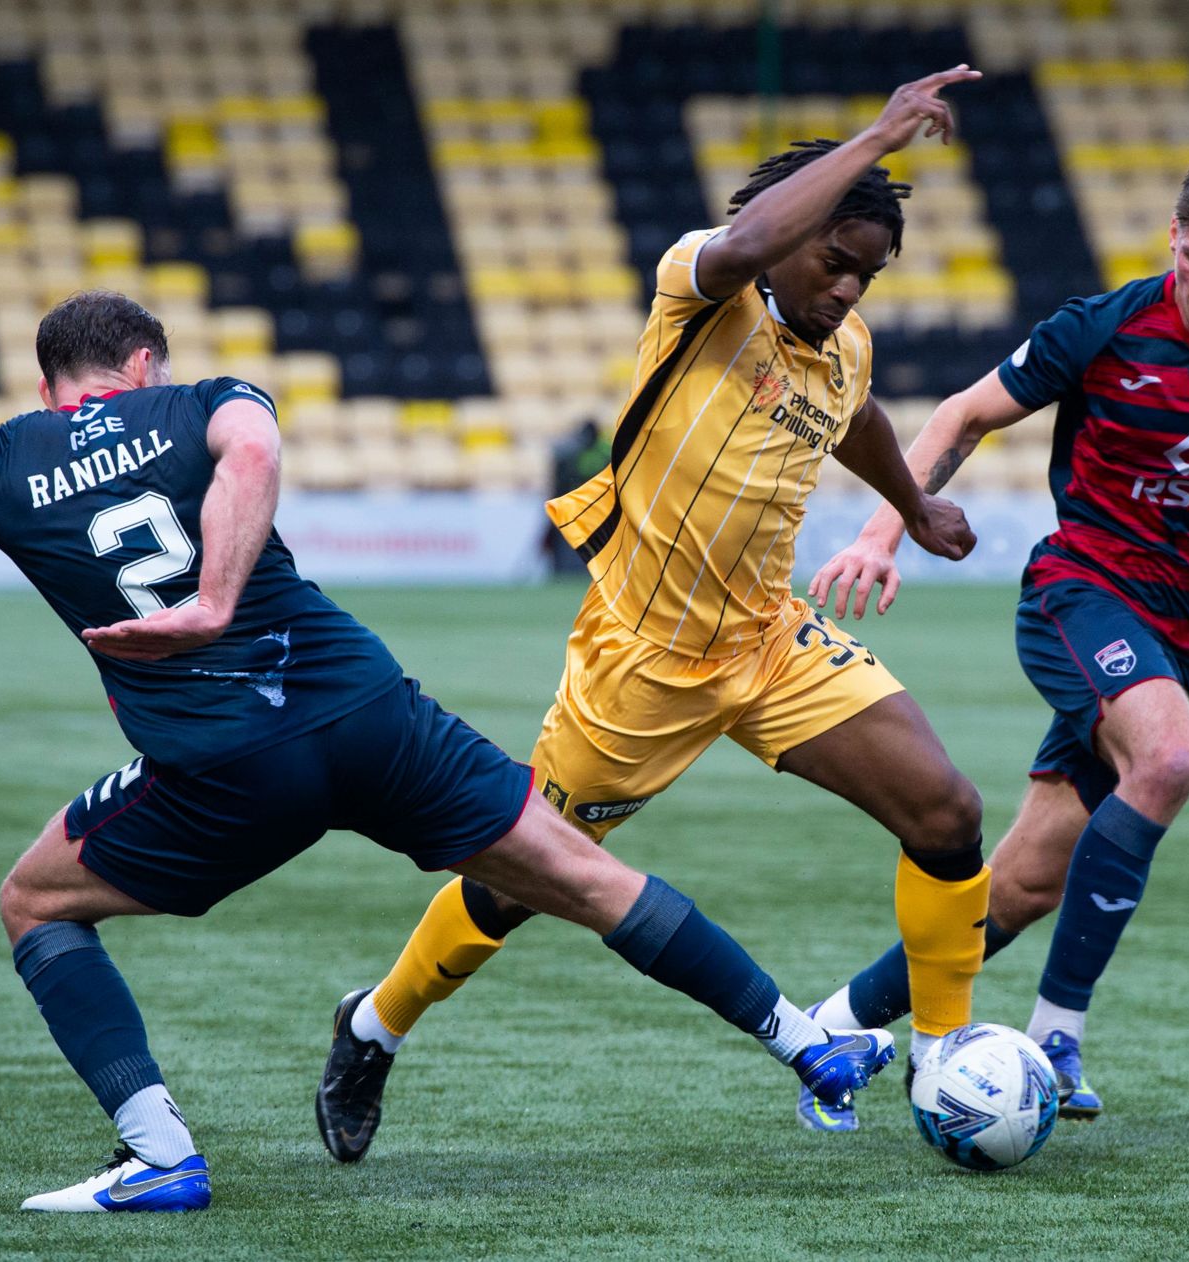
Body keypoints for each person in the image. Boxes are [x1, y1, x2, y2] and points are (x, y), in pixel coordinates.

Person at [0, 290, 898, 1214]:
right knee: (577, 873)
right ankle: (807, 1046)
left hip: (224, 765)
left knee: (33, 900)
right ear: (139, 365)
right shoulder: (205, 399)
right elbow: (248, 457)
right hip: (369, 709)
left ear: (55, 381)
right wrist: (227, 591)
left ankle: (159, 1152)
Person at [315, 66, 992, 1159]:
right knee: (511, 883)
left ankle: (944, 1052)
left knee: (946, 812)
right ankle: (374, 1022)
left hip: (768, 638)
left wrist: (910, 504)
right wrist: (874, 137)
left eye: (866, 275)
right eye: (833, 261)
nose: (846, 290)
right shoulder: (702, 286)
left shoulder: (843, 341)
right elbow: (738, 247)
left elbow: (853, 411)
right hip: (642, 655)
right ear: (788, 236)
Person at [803, 152, 1189, 1122]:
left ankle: (836, 1020)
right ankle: (1056, 1039)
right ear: (1171, 235)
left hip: (1183, 640)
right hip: (1079, 590)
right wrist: (881, 530)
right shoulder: (1104, 325)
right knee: (1167, 757)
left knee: (1025, 882)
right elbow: (963, 412)